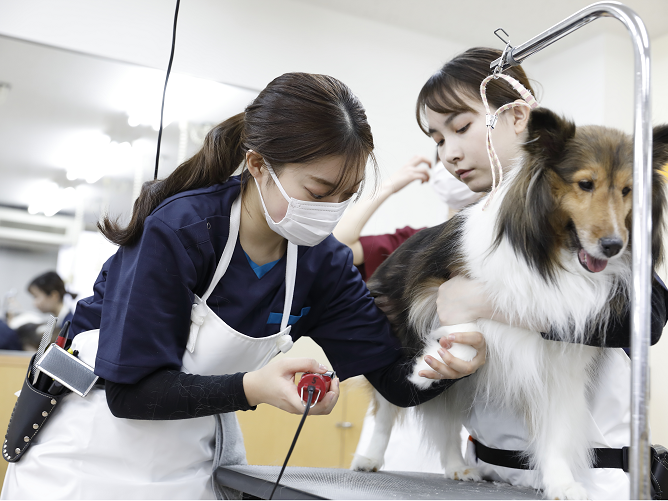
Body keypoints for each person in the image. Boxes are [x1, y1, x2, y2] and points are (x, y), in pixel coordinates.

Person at [1, 72, 486, 500]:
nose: (332, 209)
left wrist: (451, 360)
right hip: (86, 457)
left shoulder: (323, 265)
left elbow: (395, 384)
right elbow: (130, 395)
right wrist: (253, 387)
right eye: (319, 192)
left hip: (186, 463)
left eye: (347, 195)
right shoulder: (182, 231)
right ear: (257, 165)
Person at [413, 47, 667, 497]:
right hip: (486, 475)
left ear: (517, 118)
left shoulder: (591, 201)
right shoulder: (461, 232)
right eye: (437, 139)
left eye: (462, 127)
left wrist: (492, 304)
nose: (450, 153)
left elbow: (647, 318)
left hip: (590, 480)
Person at [334, 155, 480, 281]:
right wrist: (386, 188)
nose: (452, 156)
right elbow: (339, 247)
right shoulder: (416, 243)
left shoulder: (495, 241)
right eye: (441, 142)